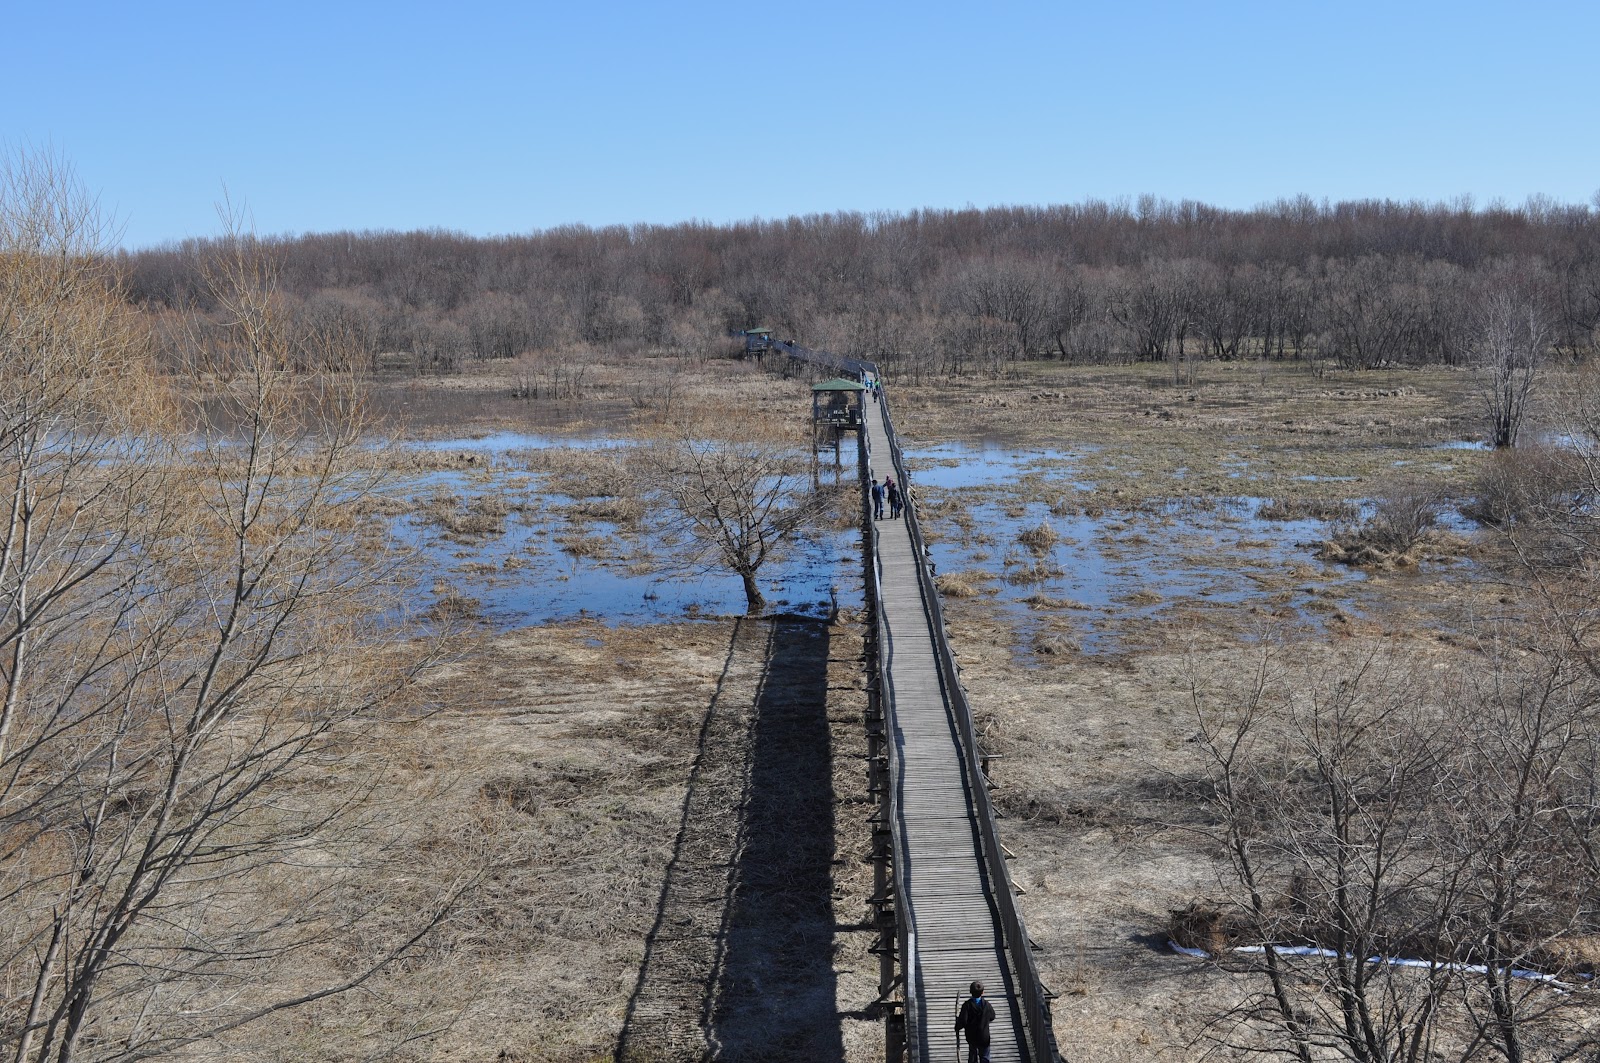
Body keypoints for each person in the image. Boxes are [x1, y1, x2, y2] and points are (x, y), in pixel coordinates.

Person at [955, 981, 996, 1063]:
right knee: (985, 1057)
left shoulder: (967, 1005)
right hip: (984, 1036)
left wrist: (957, 1027)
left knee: (973, 1055)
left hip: (972, 1036)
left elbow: (963, 1021)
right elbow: (992, 1017)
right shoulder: (987, 1005)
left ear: (970, 992)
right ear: (983, 992)